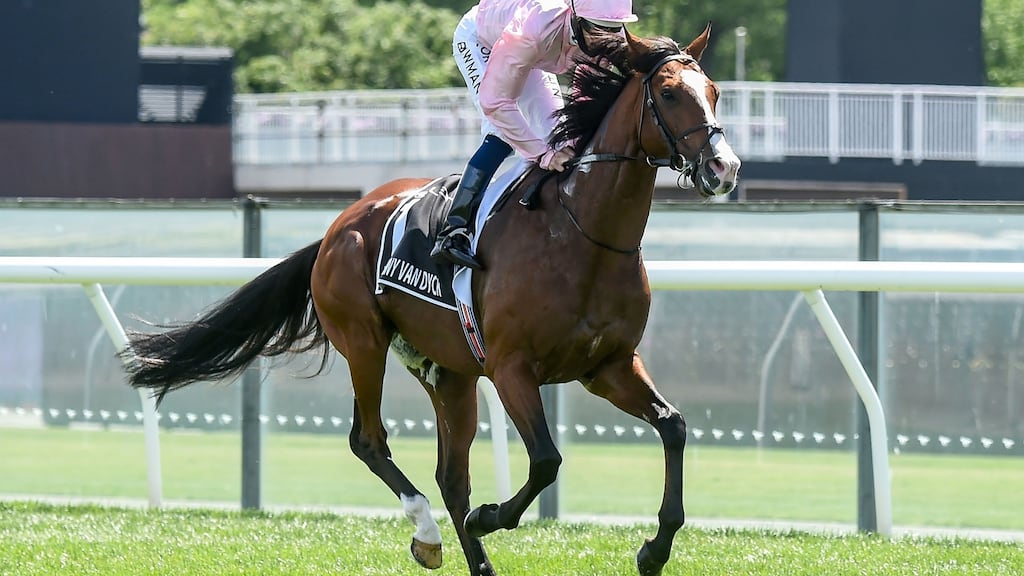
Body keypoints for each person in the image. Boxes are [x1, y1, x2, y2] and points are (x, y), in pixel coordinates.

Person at [431, 0, 639, 270]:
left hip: (533, 54)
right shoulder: (535, 29)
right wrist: (542, 154)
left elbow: (583, 91)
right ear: (576, 17)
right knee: (502, 131)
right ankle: (454, 228)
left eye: (614, 30)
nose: (606, 40)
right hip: (484, 41)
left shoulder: (607, 31)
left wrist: (568, 144)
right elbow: (495, 103)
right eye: (599, 30)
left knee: (560, 137)